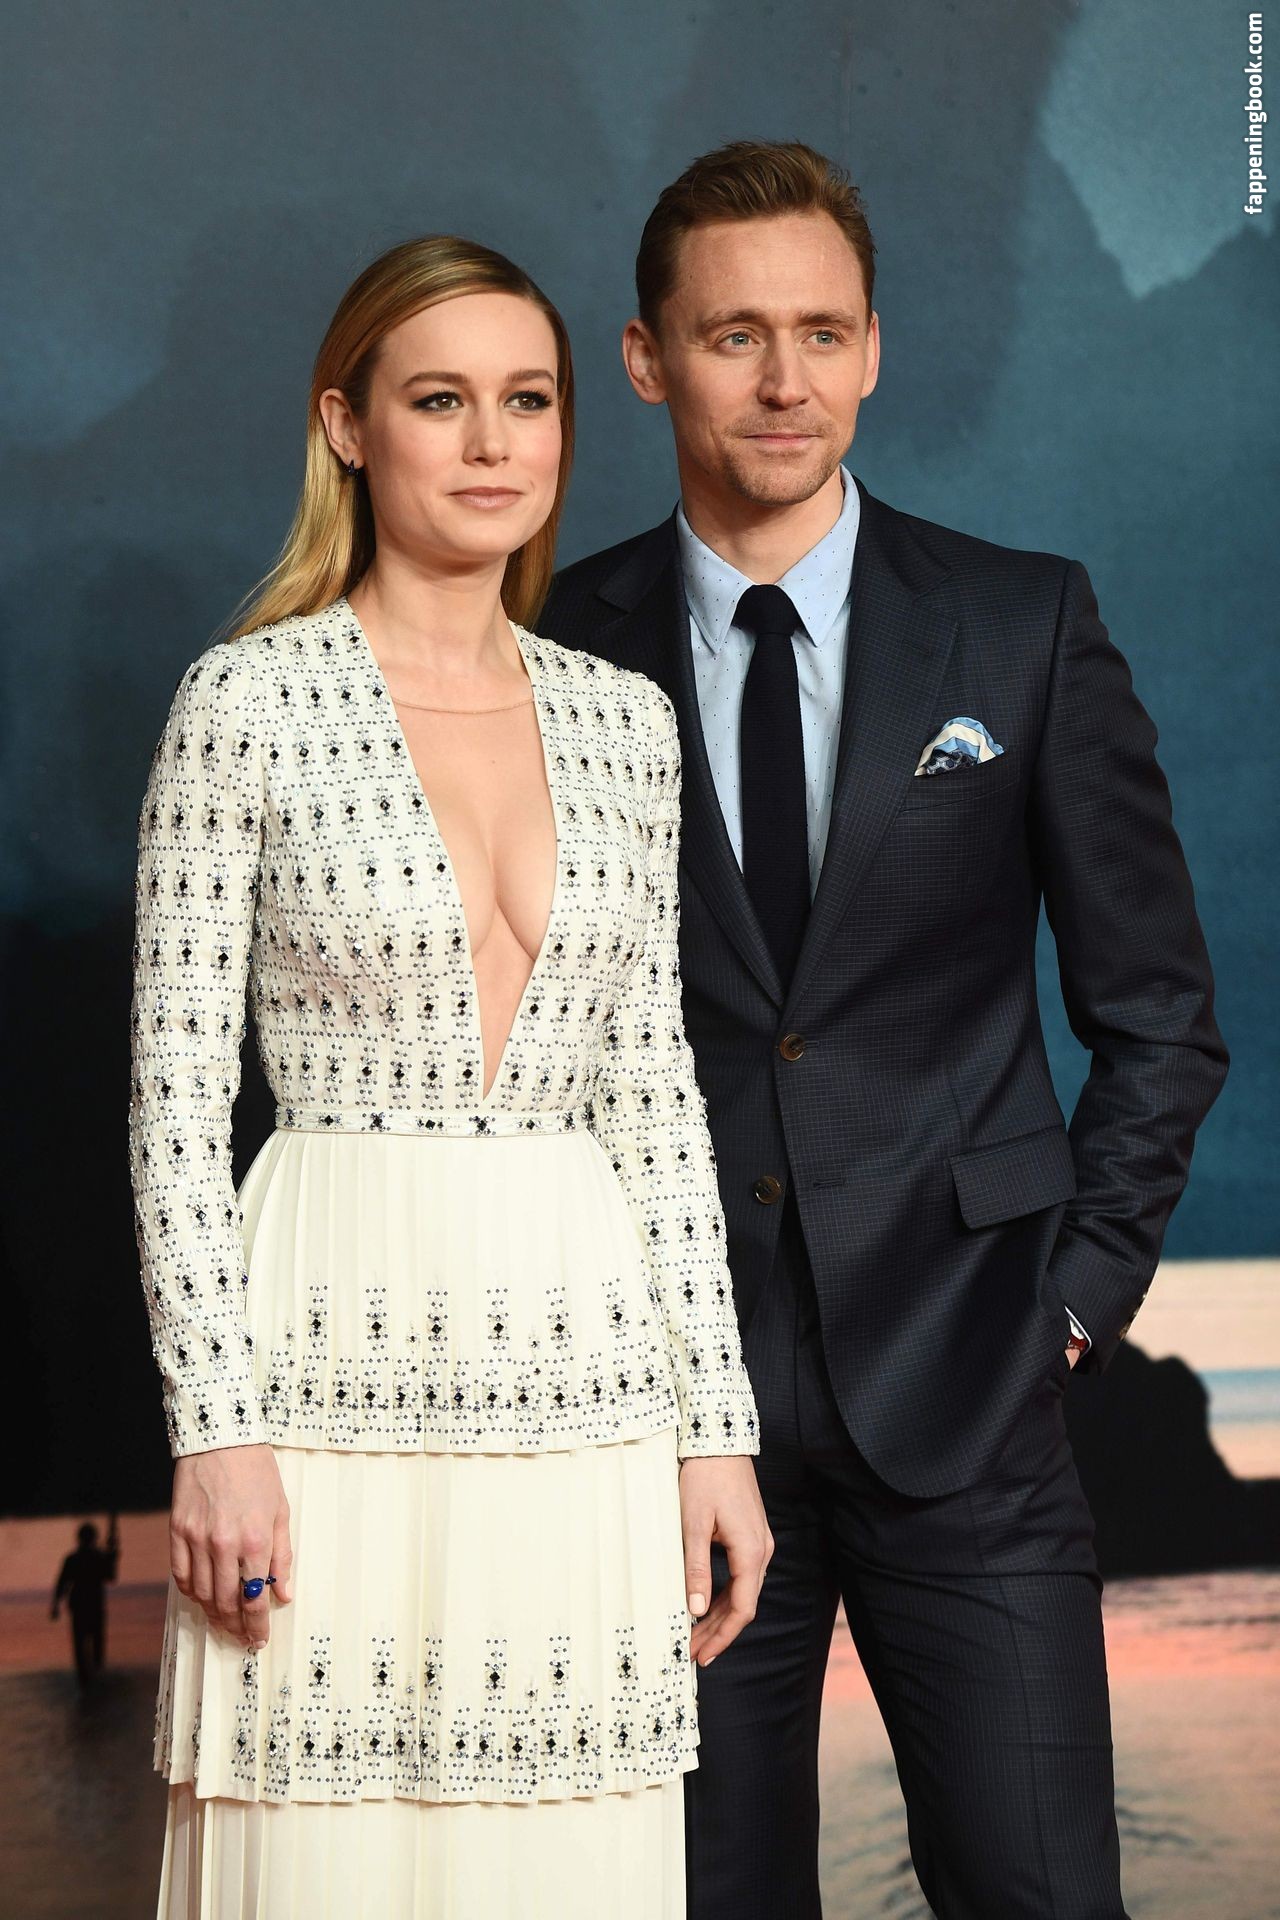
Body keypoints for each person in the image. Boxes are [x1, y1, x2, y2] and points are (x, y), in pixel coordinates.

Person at [540, 140, 1229, 1920]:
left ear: (873, 351)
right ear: (647, 359)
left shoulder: (1022, 626)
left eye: (824, 333)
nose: (786, 381)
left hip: (976, 1393)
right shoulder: (550, 649)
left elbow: (1161, 1016)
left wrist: (1071, 1307)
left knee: (1040, 1896)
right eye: (736, 336)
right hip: (667, 1423)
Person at [128, 233, 769, 1919]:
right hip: (320, 1349)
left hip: (583, 1362)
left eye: (528, 401)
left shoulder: (624, 722)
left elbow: (655, 1098)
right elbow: (174, 1109)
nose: (492, 444)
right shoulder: (245, 704)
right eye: (439, 400)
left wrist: (715, 1434)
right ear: (347, 426)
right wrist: (214, 1431)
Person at [51, 1516, 119, 1688]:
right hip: (93, 1606)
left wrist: (55, 1605)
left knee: (81, 1645)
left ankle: (86, 1679)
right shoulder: (96, 1557)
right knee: (95, 1645)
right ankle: (93, 1677)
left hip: (81, 1606)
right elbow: (110, 1576)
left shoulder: (73, 1558)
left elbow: (62, 1583)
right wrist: (112, 1557)